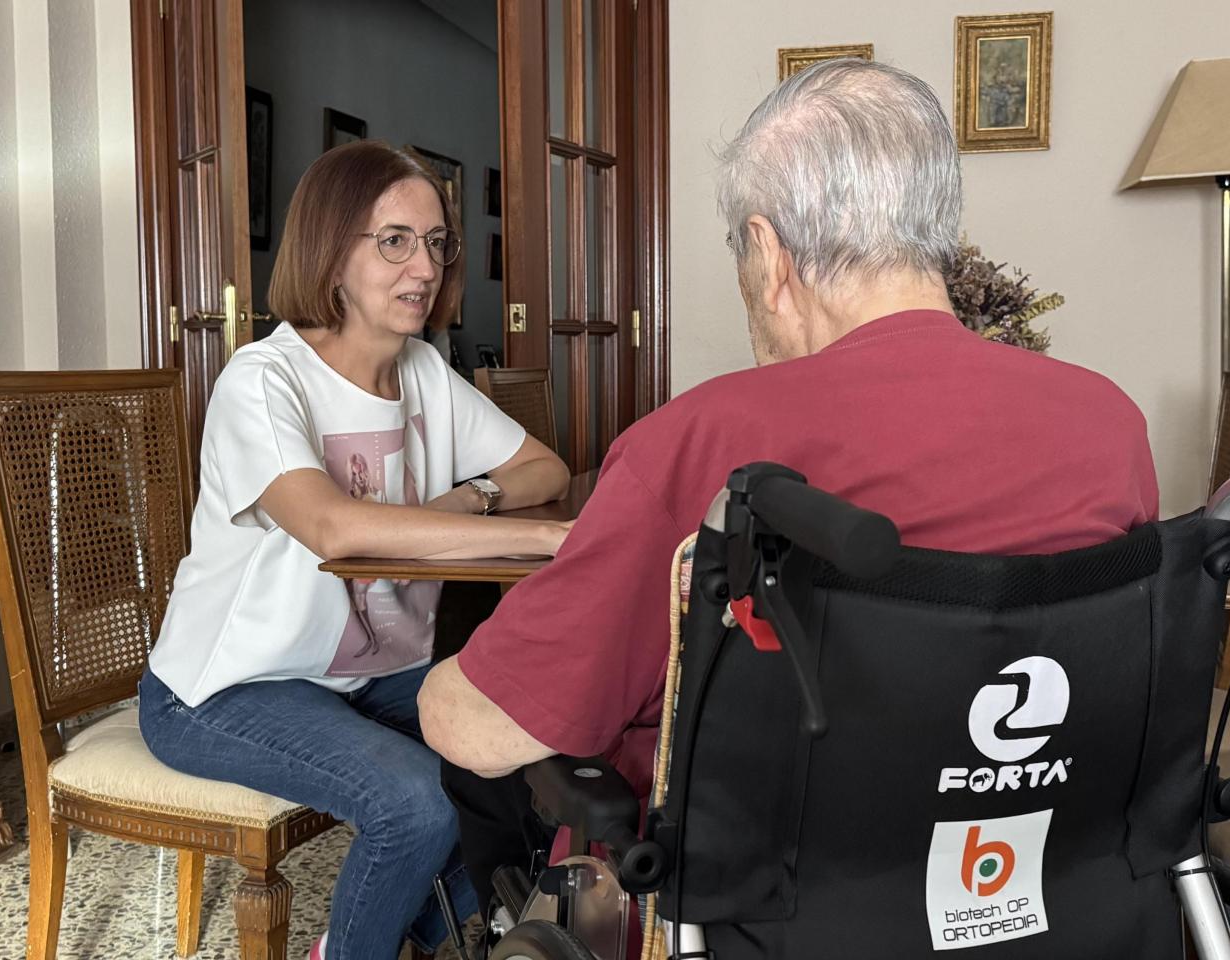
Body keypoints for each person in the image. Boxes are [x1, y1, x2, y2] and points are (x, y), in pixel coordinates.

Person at [416, 58, 1162, 913]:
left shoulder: (709, 440)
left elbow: (488, 725)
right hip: (1028, 888)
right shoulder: (1108, 424)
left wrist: (440, 687)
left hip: (775, 905)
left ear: (769, 253)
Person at [138, 140, 571, 960]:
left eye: (437, 242)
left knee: (543, 752)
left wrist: (466, 498)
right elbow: (332, 526)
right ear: (332, 253)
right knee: (417, 802)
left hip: (364, 675)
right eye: (395, 240)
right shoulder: (262, 380)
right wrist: (540, 534)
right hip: (227, 688)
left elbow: (538, 464)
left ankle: (371, 939)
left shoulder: (424, 372)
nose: (426, 265)